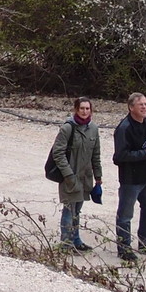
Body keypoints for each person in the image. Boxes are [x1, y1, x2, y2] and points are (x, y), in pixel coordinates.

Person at [113, 92, 146, 262]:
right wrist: (145, 153)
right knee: (125, 215)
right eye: (140, 104)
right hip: (131, 179)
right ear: (131, 107)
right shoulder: (124, 128)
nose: (145, 107)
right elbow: (119, 156)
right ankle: (124, 248)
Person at [48, 98, 101, 252]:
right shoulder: (67, 128)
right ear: (76, 110)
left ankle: (76, 240)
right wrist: (68, 175)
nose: (85, 111)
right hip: (69, 177)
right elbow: (58, 153)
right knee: (69, 210)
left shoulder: (94, 129)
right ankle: (66, 243)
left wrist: (98, 177)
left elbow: (95, 154)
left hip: (85, 177)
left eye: (87, 108)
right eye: (82, 108)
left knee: (77, 210)